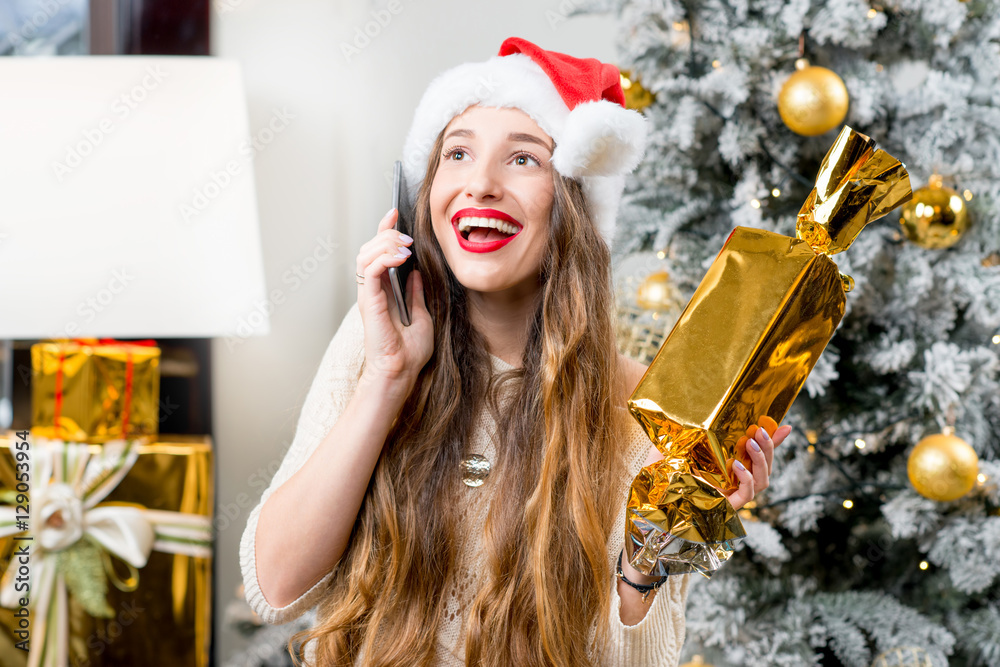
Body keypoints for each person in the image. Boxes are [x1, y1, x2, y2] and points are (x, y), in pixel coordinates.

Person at [240, 37, 791, 667]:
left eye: (524, 160)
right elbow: (276, 588)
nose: (480, 183)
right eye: (457, 152)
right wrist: (388, 377)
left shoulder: (644, 412)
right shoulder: (375, 341)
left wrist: (651, 555)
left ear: (573, 205)